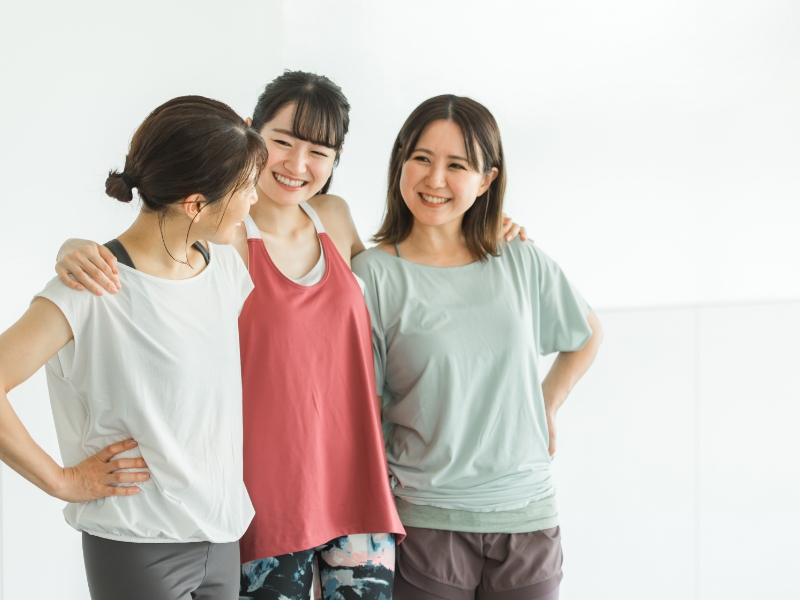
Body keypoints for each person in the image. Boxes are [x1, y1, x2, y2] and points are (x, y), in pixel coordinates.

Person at [52, 72, 526, 600]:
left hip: (357, 483)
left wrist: (485, 225)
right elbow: (149, 254)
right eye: (282, 142)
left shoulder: (335, 217)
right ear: (251, 135)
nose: (298, 165)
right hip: (266, 495)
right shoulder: (223, 230)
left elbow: (411, 285)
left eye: (320, 150)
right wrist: (75, 247)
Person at [0, 95, 268, 600]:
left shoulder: (226, 268)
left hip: (222, 534)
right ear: (194, 204)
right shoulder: (90, 288)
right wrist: (61, 481)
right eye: (248, 188)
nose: (256, 200)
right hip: (137, 544)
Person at [351, 95, 604, 600]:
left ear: (487, 179)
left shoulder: (518, 259)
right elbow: (365, 406)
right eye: (421, 158)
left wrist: (548, 400)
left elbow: (586, 333)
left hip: (527, 518)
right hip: (426, 521)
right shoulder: (373, 275)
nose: (435, 179)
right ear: (400, 160)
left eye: (457, 165)